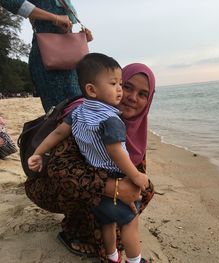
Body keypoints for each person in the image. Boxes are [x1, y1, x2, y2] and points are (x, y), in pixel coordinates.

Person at [24, 62, 156, 262]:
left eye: (143, 94)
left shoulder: (134, 127)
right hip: (51, 185)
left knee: (144, 190)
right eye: (127, 87)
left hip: (95, 183)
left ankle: (105, 240)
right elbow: (60, 170)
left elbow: (134, 166)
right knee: (102, 198)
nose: (131, 97)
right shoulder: (86, 115)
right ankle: (74, 231)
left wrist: (131, 187)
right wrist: (114, 188)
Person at [0, 0, 93, 112]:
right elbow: (10, 2)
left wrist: (82, 38)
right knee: (60, 114)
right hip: (48, 59)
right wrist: (54, 18)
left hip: (69, 61)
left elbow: (65, 26)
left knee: (78, 110)